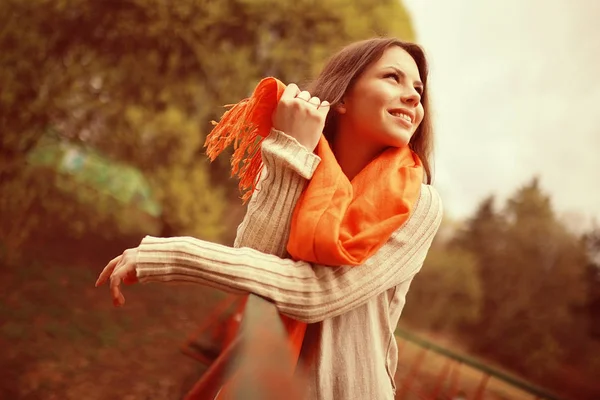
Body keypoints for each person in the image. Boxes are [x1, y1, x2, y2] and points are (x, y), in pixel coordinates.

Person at [96, 37, 443, 400]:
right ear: (343, 97)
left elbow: (313, 293)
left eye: (418, 88)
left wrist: (172, 255)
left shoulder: (418, 204)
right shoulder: (292, 164)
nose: (413, 96)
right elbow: (257, 259)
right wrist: (289, 152)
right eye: (393, 77)